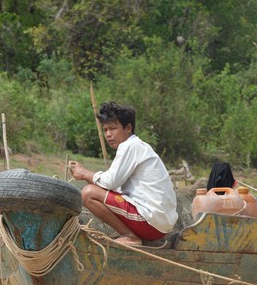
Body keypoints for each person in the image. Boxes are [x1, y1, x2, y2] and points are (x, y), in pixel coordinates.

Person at [69, 101, 178, 246]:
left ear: (128, 128)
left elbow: (110, 182)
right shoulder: (136, 146)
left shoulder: (130, 146)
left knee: (88, 193)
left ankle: (129, 236)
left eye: (113, 129)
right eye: (105, 129)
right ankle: (131, 234)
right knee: (95, 189)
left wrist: (84, 174)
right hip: (159, 223)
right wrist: (89, 176)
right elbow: (112, 187)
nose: (108, 134)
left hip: (151, 222)